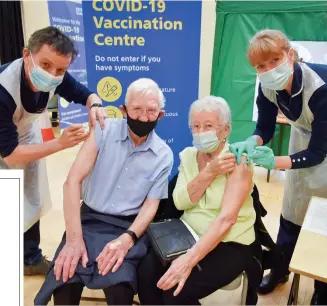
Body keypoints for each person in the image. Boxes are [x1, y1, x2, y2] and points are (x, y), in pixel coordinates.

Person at [0, 26, 107, 276]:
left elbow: (84, 94)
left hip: (23, 128)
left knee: (31, 193)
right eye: (45, 64)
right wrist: (60, 143)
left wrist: (95, 103)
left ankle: (30, 258)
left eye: (60, 70)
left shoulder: (57, 75)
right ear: (26, 55)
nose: (53, 74)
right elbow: (9, 154)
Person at [34, 78, 173, 305]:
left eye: (151, 111)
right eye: (137, 110)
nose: (143, 117)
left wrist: (128, 239)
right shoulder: (103, 130)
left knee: (119, 286)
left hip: (127, 227)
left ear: (161, 115)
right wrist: (73, 239)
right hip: (88, 220)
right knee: (65, 278)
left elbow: (151, 205)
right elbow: (72, 182)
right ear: (123, 110)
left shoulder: (163, 155)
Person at [229, 29, 327, 304]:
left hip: (324, 146)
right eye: (260, 66)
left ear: (290, 55)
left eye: (274, 60)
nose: (268, 70)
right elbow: (265, 126)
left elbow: (319, 152)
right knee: (292, 211)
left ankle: (322, 286)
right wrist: (253, 140)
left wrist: (276, 162)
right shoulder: (268, 85)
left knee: (322, 223)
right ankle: (280, 271)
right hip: (302, 141)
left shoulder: (320, 87)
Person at [137, 96, 262, 305]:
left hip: (230, 242)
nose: (201, 132)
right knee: (146, 274)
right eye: (195, 126)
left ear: (225, 131)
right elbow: (180, 202)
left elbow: (227, 220)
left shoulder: (239, 161)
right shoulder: (188, 155)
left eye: (208, 126)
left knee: (175, 291)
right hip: (187, 233)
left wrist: (188, 260)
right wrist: (210, 172)